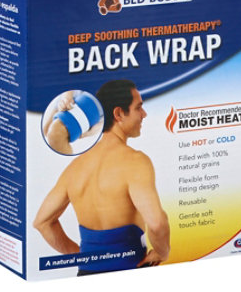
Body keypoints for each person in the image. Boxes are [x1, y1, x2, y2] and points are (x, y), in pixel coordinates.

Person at [34, 80, 170, 275]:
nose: (144, 114)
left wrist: (85, 257)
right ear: (118, 114)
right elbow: (157, 223)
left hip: (86, 274)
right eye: (138, 107)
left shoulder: (75, 168)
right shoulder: (135, 162)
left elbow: (42, 222)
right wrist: (162, 252)